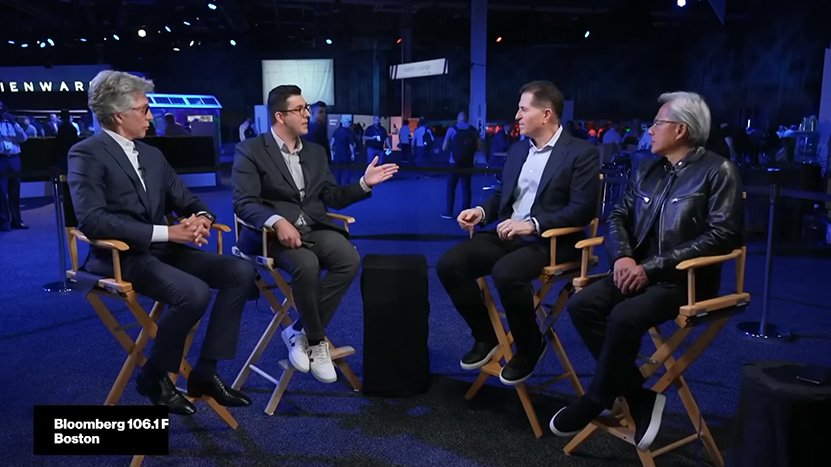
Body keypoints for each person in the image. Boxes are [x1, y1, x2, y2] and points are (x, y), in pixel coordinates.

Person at [549, 91, 744, 451]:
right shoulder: (647, 169)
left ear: (682, 129)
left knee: (624, 317)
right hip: (634, 270)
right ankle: (638, 396)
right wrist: (622, 258)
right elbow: (617, 216)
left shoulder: (719, 171)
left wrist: (650, 267)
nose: (649, 130)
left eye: (657, 123)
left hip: (683, 281)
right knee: (581, 305)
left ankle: (598, 397)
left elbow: (723, 236)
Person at [67, 70, 256, 415]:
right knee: (194, 293)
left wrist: (201, 218)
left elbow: (187, 199)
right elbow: (93, 221)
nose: (151, 116)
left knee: (240, 271)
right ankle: (153, 376)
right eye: (143, 109)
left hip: (161, 251)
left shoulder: (152, 155)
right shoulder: (86, 153)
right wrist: (169, 233)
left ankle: (205, 373)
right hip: (120, 257)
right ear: (119, 115)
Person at [436, 80, 600, 386]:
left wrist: (533, 224)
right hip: (509, 234)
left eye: (523, 109)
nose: (517, 115)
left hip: (551, 241)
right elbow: (504, 193)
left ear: (546, 114)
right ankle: (486, 336)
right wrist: (481, 211)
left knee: (506, 272)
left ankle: (529, 346)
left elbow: (582, 210)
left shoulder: (582, 152)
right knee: (449, 265)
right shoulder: (518, 149)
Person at [232, 85, 398, 383]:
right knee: (307, 264)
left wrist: (364, 183)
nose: (307, 114)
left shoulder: (316, 152)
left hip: (312, 226)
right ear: (280, 116)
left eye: (307, 108)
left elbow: (333, 196)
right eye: (300, 109)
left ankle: (300, 331)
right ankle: (318, 341)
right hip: (270, 236)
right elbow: (244, 203)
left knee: (348, 259)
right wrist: (276, 221)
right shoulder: (251, 150)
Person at [441, 110, 481, 219]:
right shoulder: (473, 130)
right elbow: (479, 147)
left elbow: (444, 147)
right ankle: (466, 213)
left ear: (458, 119)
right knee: (466, 188)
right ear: (467, 119)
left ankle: (449, 212)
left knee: (451, 187)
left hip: (454, 163)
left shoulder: (452, 129)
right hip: (468, 163)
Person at [0, 100, 28, 231]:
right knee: (1, 192)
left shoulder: (11, 123)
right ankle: (4, 222)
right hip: (1, 159)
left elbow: (23, 138)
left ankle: (17, 221)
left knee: (15, 191)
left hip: (14, 158)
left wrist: (14, 123)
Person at [330, 115, 356, 185]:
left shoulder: (336, 131)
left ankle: (337, 183)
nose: (350, 124)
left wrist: (332, 152)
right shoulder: (349, 133)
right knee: (346, 170)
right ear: (345, 123)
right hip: (345, 154)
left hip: (337, 154)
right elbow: (350, 145)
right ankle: (346, 184)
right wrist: (353, 154)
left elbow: (332, 143)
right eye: (349, 122)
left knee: (337, 170)